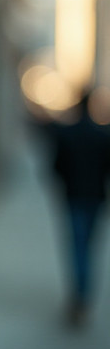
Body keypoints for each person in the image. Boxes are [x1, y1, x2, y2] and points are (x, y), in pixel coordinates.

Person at [47, 89, 110, 326]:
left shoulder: (68, 134)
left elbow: (56, 167)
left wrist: (64, 185)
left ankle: (79, 297)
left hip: (74, 197)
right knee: (89, 248)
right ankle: (83, 297)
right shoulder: (102, 135)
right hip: (94, 198)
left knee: (77, 247)